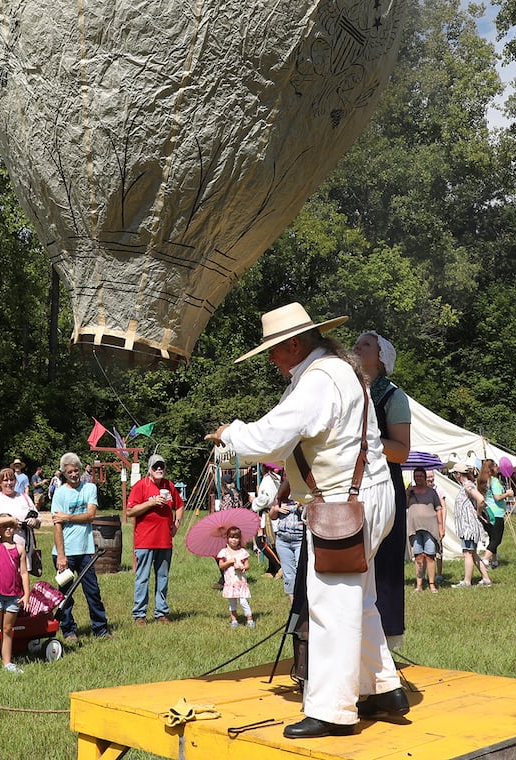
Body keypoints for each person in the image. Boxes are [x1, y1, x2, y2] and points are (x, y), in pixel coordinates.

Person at [208, 301, 405, 739]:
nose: (272, 361)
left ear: (294, 344)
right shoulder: (340, 370)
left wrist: (230, 432)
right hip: (368, 497)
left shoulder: (317, 381)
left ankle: (333, 711)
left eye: (274, 351)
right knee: (359, 595)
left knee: (330, 606)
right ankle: (383, 687)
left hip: (341, 505)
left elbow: (270, 438)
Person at [353, 330, 411, 650]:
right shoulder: (350, 393)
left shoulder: (393, 396)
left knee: (384, 566)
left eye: (366, 344)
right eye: (357, 342)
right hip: (352, 488)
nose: (357, 347)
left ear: (381, 358)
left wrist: (367, 441)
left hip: (385, 487)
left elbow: (402, 452)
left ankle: (386, 644)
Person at [51, 451, 110, 640]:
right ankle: (68, 631)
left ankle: (100, 628)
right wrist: (61, 556)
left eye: (76, 471)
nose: (74, 475)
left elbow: (91, 515)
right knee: (66, 595)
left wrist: (68, 517)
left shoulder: (90, 488)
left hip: (86, 551)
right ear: (64, 473)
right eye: (70, 472)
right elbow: (57, 526)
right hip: (65, 552)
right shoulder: (59, 494)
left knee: (93, 591)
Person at [126, 453, 181, 624]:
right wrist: (151, 503)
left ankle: (161, 612)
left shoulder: (168, 485)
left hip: (165, 540)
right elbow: (129, 511)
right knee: (142, 578)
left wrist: (176, 524)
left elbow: (179, 505)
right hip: (144, 540)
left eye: (161, 466)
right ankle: (139, 615)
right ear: (149, 469)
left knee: (162, 577)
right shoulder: (140, 486)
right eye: (155, 466)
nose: (159, 469)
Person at [0, 515, 30, 676]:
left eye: (11, 526)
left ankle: (7, 662)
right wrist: (10, 519)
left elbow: (23, 572)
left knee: (8, 629)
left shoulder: (19, 548)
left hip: (13, 594)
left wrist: (27, 594)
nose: (8, 529)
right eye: (5, 527)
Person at [0, 467, 40, 565]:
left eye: (11, 479)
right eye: (5, 480)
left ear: (16, 481)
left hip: (24, 553)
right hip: (2, 553)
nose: (9, 483)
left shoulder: (24, 497)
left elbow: (38, 522)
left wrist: (35, 521)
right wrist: (8, 523)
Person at [451, 462, 493, 587]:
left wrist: (478, 513)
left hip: (469, 526)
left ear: (458, 474)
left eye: (454, 474)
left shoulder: (468, 486)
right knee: (472, 553)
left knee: (467, 553)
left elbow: (480, 499)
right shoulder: (467, 486)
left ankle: (467, 581)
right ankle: (486, 579)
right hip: (467, 525)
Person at [405, 468, 444, 592]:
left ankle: (432, 584)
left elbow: (438, 509)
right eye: (416, 476)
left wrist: (441, 527)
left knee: (430, 556)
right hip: (415, 528)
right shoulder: (410, 492)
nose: (418, 478)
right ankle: (419, 585)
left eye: (421, 476)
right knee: (418, 556)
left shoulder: (431, 492)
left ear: (425, 477)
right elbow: (405, 505)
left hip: (430, 528)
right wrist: (407, 493)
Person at [270, 481, 304, 601]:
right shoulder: (281, 496)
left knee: (301, 571)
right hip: (283, 540)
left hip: (300, 540)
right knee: (289, 574)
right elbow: (272, 516)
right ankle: (294, 608)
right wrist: (277, 509)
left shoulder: (304, 495)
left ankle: (304, 604)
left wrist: (301, 506)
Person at [218, 525, 255, 628]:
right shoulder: (224, 552)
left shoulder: (242, 552)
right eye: (231, 537)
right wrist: (229, 562)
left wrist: (241, 567)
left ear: (239, 539)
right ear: (227, 538)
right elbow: (221, 565)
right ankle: (234, 620)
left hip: (241, 582)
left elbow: (247, 566)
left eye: (236, 537)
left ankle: (249, 619)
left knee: (243, 601)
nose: (233, 540)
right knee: (232, 602)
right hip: (230, 583)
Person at [478, 458, 510, 569]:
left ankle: (494, 561)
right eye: (496, 465)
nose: (498, 467)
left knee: (492, 537)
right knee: (497, 539)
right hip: (496, 514)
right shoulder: (494, 481)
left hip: (486, 513)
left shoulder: (482, 481)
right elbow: (498, 497)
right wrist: (508, 494)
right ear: (492, 468)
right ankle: (485, 560)